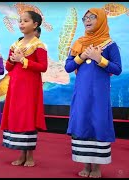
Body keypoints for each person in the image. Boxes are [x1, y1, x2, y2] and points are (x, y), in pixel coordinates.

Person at [64, 8, 122, 178]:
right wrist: (82, 56)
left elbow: (117, 69)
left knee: (98, 121)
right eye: (85, 18)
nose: (87, 20)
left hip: (100, 94)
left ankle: (97, 167)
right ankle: (85, 164)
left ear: (102, 20)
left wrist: (100, 59)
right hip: (81, 93)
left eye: (92, 17)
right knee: (82, 120)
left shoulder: (110, 45)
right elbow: (68, 67)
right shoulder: (79, 43)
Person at [0, 11, 48, 167]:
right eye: (20, 21)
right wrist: (13, 60)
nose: (21, 24)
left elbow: (43, 67)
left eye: (25, 21)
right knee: (18, 117)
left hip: (30, 88)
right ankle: (21, 154)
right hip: (15, 86)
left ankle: (30, 156)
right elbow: (8, 66)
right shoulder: (15, 44)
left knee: (28, 117)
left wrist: (23, 60)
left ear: (35, 24)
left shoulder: (38, 45)